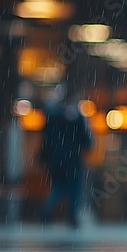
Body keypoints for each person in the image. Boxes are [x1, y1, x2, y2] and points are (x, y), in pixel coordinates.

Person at [39, 87, 92, 227]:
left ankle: (46, 211)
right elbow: (85, 139)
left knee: (58, 187)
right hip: (73, 158)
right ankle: (72, 216)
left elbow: (46, 136)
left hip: (56, 158)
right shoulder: (77, 117)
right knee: (75, 188)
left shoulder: (53, 115)